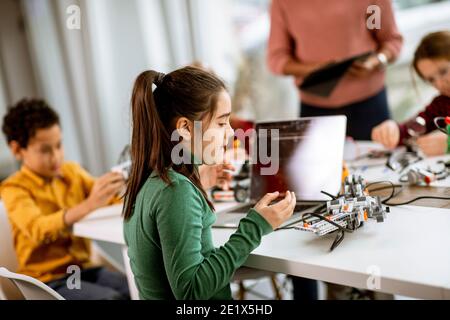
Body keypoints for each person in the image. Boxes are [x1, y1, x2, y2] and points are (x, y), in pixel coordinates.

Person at [122, 66, 297, 300]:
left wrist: (200, 181)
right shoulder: (177, 191)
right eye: (222, 123)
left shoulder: (150, 179)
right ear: (184, 128)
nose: (231, 133)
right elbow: (191, 292)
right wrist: (255, 226)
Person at [0, 99, 130, 300]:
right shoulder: (14, 188)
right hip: (49, 281)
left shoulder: (72, 172)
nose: (57, 156)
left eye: (59, 145)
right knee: (110, 299)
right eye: (45, 150)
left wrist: (122, 188)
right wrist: (90, 204)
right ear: (17, 150)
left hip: (86, 270)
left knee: (139, 287)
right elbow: (38, 229)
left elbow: (109, 199)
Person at [267, 0, 403, 140]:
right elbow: (277, 58)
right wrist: (317, 70)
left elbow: (390, 40)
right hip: (316, 111)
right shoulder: (282, 3)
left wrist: (377, 60)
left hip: (369, 106)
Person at [372, 31, 450, 156]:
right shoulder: (442, 104)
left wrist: (449, 143)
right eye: (431, 80)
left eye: (443, 71)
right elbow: (413, 128)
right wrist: (393, 130)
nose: (439, 84)